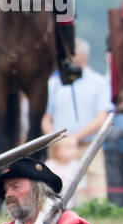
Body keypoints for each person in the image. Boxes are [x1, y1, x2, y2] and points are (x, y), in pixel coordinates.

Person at [43, 39, 111, 203]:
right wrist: (58, 140)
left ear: (84, 58)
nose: (73, 63)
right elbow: (46, 118)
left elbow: (102, 117)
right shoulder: (53, 83)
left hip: (90, 146)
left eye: (77, 60)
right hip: (58, 150)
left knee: (95, 194)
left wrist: (75, 138)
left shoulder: (98, 82)